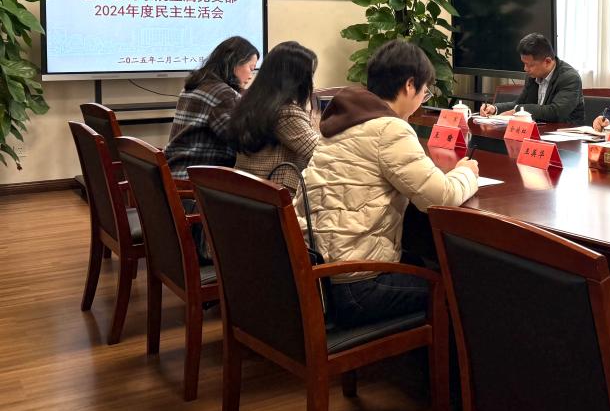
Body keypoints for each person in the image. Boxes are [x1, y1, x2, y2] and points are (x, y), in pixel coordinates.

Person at [301, 40, 480, 328]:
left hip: (319, 274)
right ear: (409, 85)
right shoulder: (389, 128)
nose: (422, 98)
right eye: (424, 91)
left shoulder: (343, 122)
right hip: (357, 284)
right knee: (459, 290)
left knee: (423, 259)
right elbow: (442, 197)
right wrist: (466, 172)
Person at [231, 41, 320, 194]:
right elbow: (319, 151)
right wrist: (320, 128)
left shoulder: (252, 103)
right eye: (309, 75)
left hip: (247, 192)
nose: (311, 82)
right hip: (275, 196)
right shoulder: (287, 112)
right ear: (296, 79)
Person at [165, 36, 259, 179]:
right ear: (234, 63)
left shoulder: (197, 83)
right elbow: (243, 141)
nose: (251, 75)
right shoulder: (222, 94)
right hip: (194, 181)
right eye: (251, 68)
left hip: (175, 171)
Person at [478, 33, 584, 124]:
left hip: (564, 134)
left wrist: (518, 110)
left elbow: (556, 112)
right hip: (538, 130)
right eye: (524, 64)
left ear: (547, 61)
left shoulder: (569, 78)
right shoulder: (532, 75)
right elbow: (519, 103)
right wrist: (495, 108)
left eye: (530, 65)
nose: (525, 69)